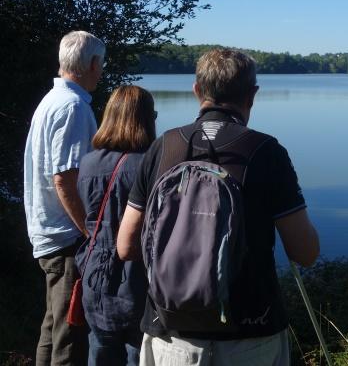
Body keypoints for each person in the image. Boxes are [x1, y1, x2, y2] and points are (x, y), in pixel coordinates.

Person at [118, 48, 319, 366]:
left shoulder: (163, 147)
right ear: (252, 95)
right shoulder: (266, 151)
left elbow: (126, 246)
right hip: (250, 334)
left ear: (197, 90)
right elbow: (305, 252)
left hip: (170, 333)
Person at [23, 30, 105, 366]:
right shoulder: (72, 107)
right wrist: (90, 233)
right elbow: (65, 180)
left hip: (50, 231)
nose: (102, 72)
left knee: (53, 327)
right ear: (91, 64)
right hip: (65, 238)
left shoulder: (53, 100)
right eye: (101, 65)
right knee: (69, 338)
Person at [75, 86, 156, 365]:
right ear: (146, 120)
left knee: (99, 351)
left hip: (95, 276)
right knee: (140, 354)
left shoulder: (88, 163)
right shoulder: (150, 166)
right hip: (137, 279)